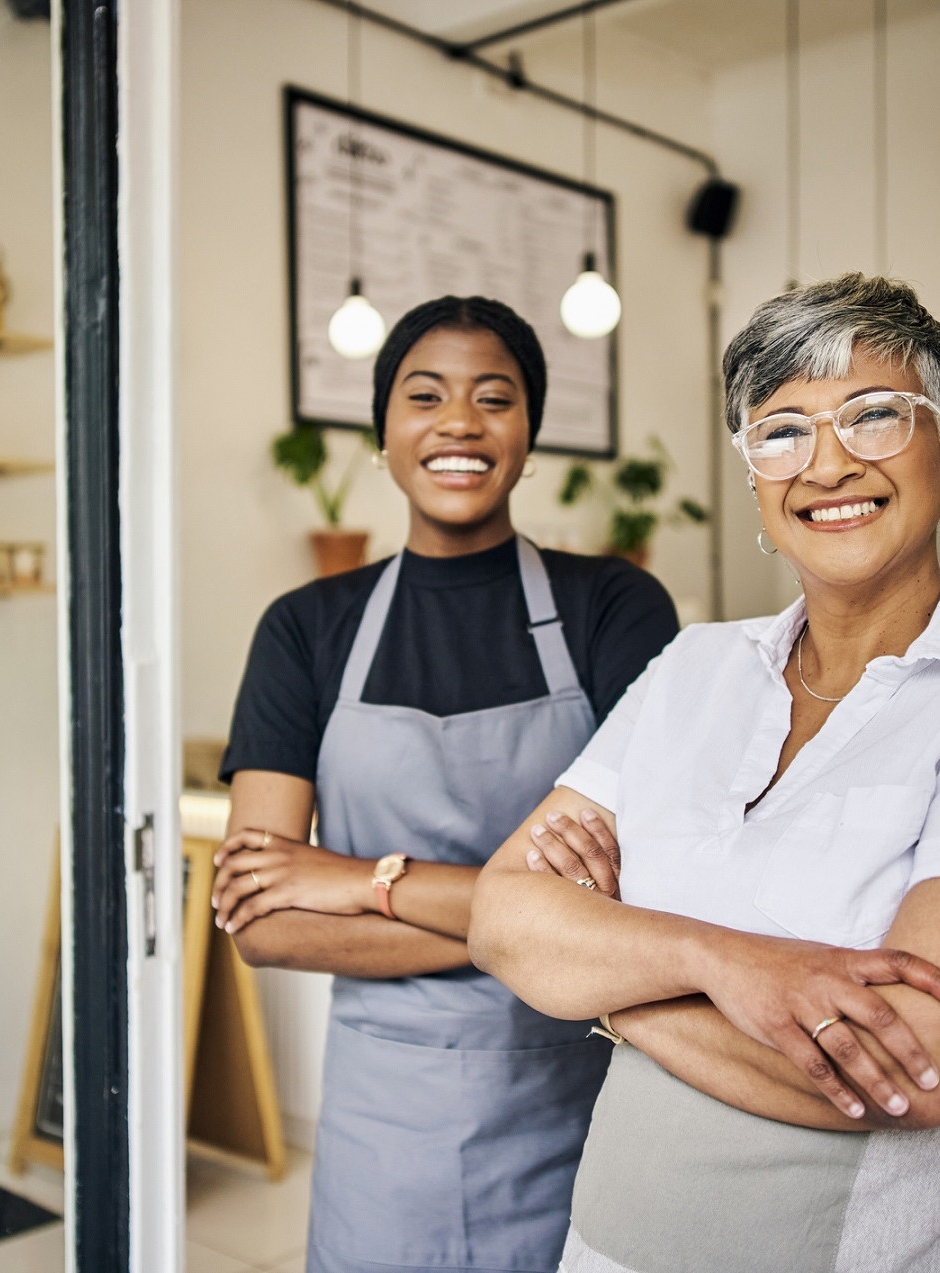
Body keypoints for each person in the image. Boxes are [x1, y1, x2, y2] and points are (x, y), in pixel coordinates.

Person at [469, 274, 940, 1272]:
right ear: (756, 480)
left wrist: (610, 983)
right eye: (781, 430)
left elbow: (923, 1062)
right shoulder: (693, 668)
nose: (827, 463)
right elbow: (502, 916)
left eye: (875, 416)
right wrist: (731, 964)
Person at [213, 295, 680, 1273]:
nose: (459, 422)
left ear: (529, 434)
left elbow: (639, 896)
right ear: (382, 432)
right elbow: (261, 921)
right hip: (384, 1132)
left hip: (581, 1098)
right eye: (424, 396)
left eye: (493, 398)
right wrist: (538, 928)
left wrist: (356, 879)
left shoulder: (614, 608)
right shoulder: (304, 627)